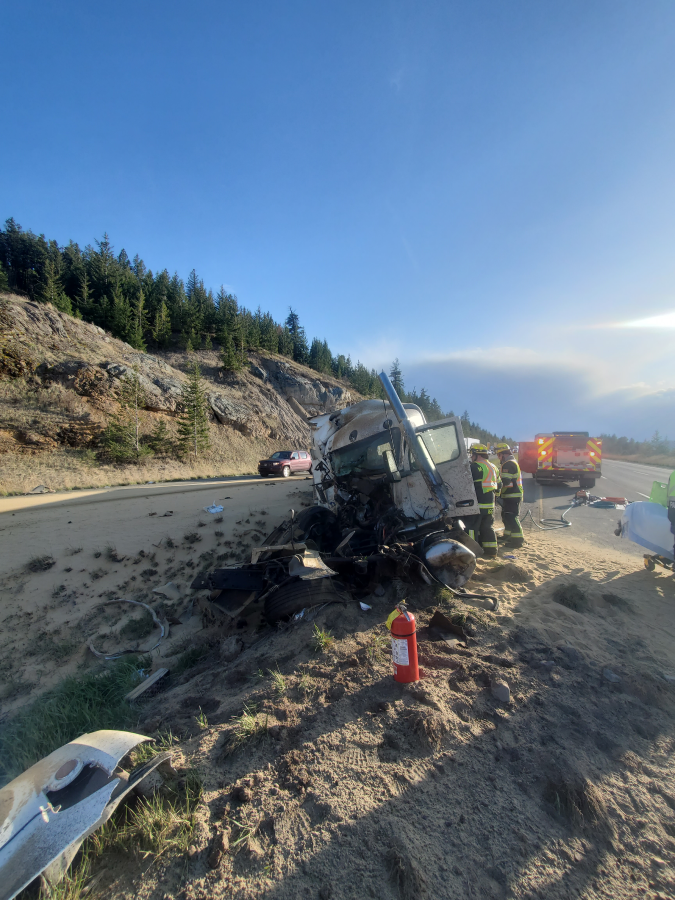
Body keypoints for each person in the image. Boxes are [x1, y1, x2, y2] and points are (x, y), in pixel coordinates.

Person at [465, 444, 500, 557]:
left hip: (477, 504)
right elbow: (499, 484)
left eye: (472, 454)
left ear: (477, 454)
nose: (471, 457)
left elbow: (465, 485)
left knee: (471, 527)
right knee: (487, 527)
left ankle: (472, 551)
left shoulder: (474, 467)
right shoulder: (493, 467)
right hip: (490, 503)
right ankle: (491, 551)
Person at [495, 442, 524, 548]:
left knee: (511, 517)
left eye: (498, 455)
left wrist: (496, 488)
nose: (498, 457)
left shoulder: (508, 464)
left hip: (512, 495)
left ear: (503, 454)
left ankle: (518, 540)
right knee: (506, 516)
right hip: (511, 495)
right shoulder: (511, 462)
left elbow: (505, 482)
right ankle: (507, 536)